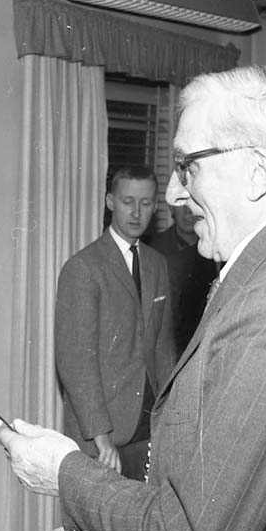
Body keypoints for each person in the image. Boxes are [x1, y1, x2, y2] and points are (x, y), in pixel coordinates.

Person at [0, 65, 266, 531]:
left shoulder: (261, 308)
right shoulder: (238, 279)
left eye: (188, 167)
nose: (173, 195)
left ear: (257, 171)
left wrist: (63, 472)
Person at [54, 166, 176, 480]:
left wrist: (172, 419)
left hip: (150, 428)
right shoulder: (83, 268)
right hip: (102, 436)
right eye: (127, 201)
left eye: (145, 203)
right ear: (110, 201)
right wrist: (100, 435)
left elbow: (164, 350)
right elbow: (76, 363)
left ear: (155, 206)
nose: (136, 212)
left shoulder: (157, 264)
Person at [143, 202, 219, 354]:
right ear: (171, 208)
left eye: (192, 202)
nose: (187, 211)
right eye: (180, 204)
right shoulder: (151, 250)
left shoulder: (218, 250)